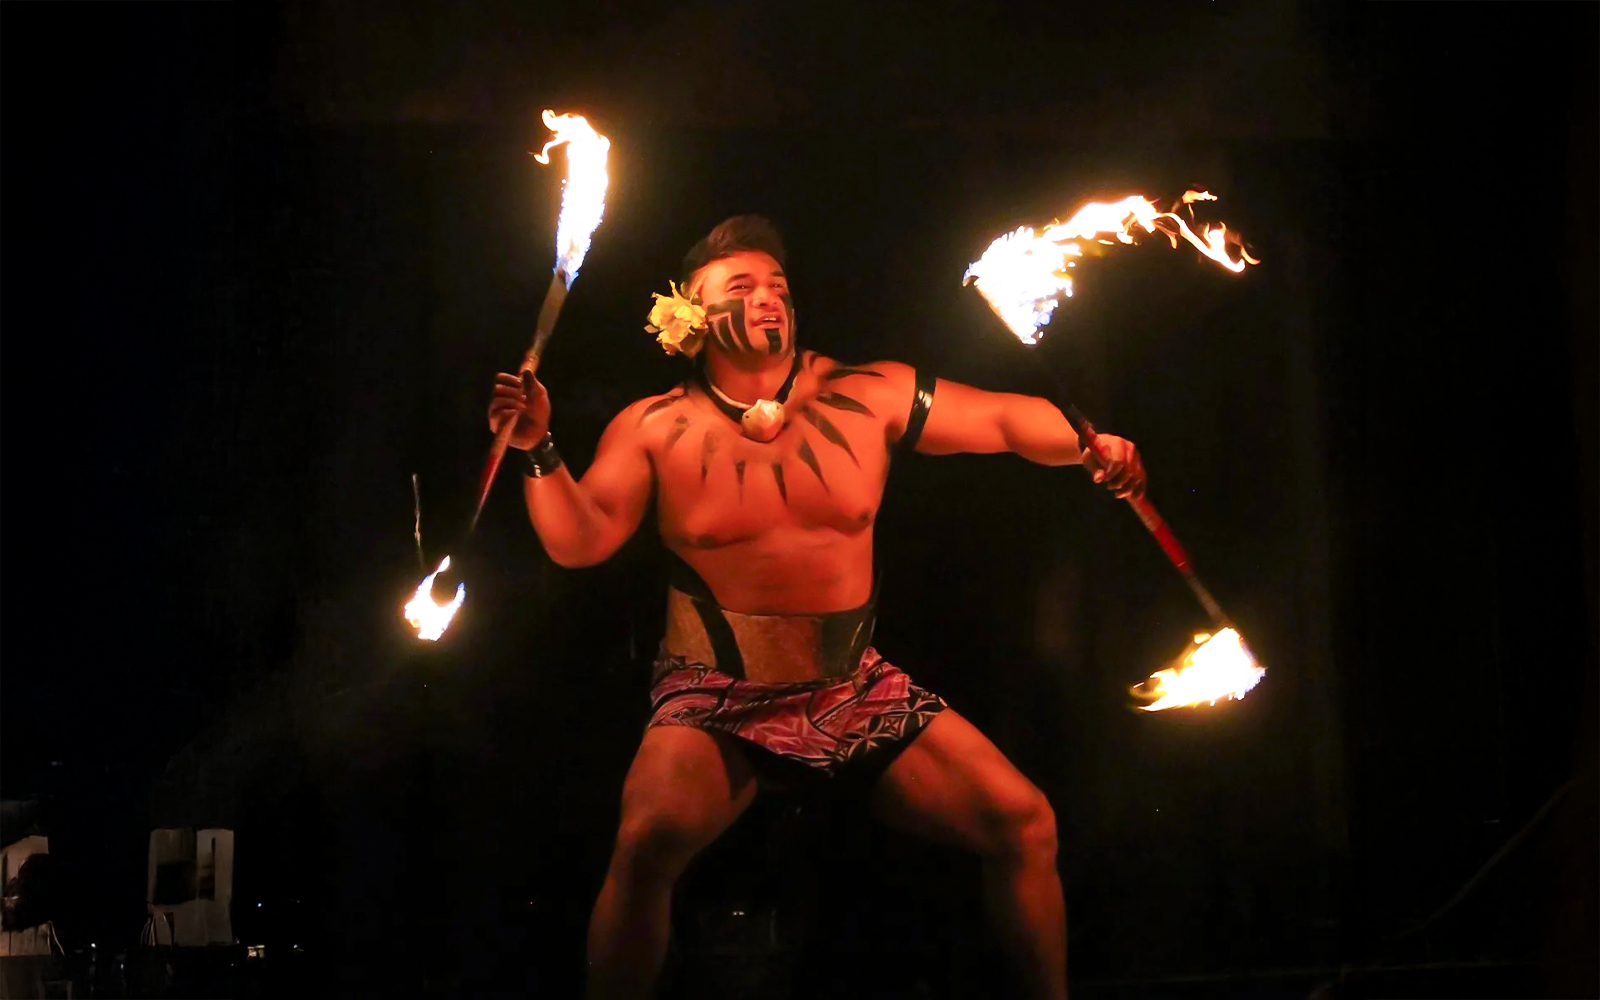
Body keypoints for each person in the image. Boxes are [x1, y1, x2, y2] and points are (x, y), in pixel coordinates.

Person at [488, 216, 1145, 1000]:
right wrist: (537, 447)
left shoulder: (867, 394)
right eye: (742, 287)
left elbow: (1004, 420)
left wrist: (1090, 442)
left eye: (779, 288)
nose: (769, 300)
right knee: (647, 841)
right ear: (691, 315)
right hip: (714, 695)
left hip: (851, 688)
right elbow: (581, 540)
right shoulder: (654, 425)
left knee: (1025, 821)